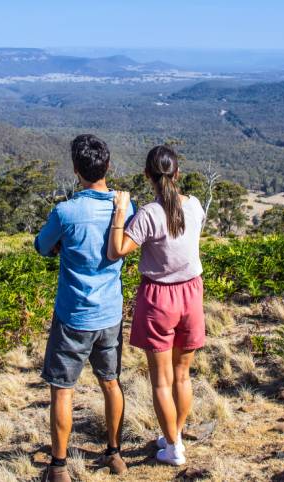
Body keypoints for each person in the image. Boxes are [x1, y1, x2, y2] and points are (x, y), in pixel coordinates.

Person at [34, 134, 135, 481]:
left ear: (76, 171)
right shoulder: (124, 207)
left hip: (73, 315)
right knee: (111, 382)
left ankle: (59, 466)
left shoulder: (65, 212)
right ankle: (114, 453)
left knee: (62, 389)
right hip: (109, 314)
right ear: (107, 166)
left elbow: (41, 246)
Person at [107, 145, 206, 466]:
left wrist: (120, 211)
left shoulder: (148, 214)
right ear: (177, 173)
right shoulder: (194, 206)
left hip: (159, 298)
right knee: (182, 376)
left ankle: (174, 447)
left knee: (161, 380)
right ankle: (173, 437)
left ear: (147, 175)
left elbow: (117, 250)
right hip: (191, 294)